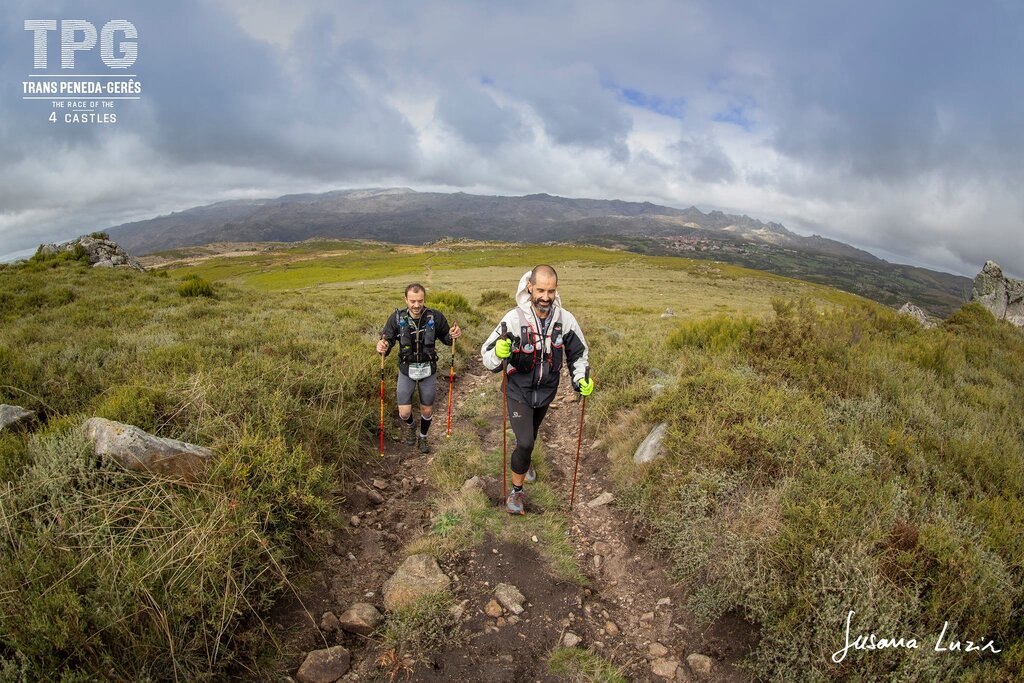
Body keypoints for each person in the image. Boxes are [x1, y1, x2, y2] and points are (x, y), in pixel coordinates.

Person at [480, 265, 594, 514]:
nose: (545, 296)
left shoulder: (565, 320)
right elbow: (487, 355)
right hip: (517, 390)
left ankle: (526, 460)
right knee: (525, 441)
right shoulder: (513, 318)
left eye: (551, 291)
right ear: (529, 287)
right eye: (540, 289)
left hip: (546, 391)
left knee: (531, 433)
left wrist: (580, 380)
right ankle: (517, 493)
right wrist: (498, 354)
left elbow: (578, 355)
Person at [377, 283, 461, 453]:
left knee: (427, 409)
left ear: (424, 300)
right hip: (406, 369)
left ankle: (423, 437)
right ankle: (411, 426)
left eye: (420, 301)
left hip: (428, 368)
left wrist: (453, 335)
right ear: (406, 300)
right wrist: (382, 345)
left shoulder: (435, 317)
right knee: (404, 413)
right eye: (413, 301)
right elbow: (388, 340)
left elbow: (446, 338)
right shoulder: (396, 318)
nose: (416, 305)